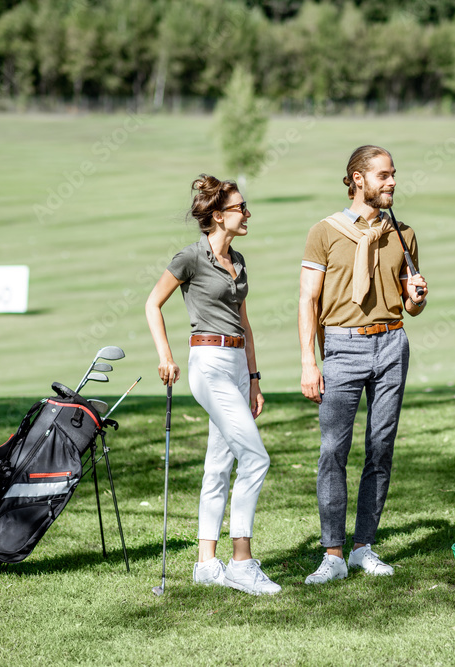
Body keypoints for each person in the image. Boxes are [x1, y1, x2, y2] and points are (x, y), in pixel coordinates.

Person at [298, 145, 428, 585]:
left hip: (392, 343)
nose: (392, 182)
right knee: (333, 450)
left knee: (380, 449)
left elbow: (412, 308)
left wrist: (416, 298)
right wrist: (308, 362)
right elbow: (308, 300)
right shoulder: (325, 232)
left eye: (394, 174)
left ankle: (362, 548)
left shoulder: (404, 234)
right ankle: (332, 553)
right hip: (341, 347)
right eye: (384, 175)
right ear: (358, 179)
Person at [145, 174, 280, 596]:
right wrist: (165, 356)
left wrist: (255, 378)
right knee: (255, 459)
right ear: (219, 216)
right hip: (209, 362)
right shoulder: (190, 258)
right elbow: (153, 304)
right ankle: (241, 562)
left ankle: (206, 563)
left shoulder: (237, 261)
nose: (247, 213)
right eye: (241, 207)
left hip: (239, 362)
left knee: (220, 464)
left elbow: (245, 322)